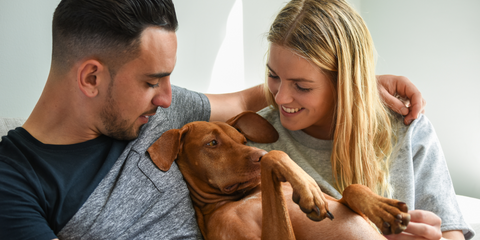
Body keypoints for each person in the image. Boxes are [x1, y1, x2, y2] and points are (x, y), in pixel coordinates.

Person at [0, 0, 425, 239]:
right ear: (92, 77)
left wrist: (353, 82)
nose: (169, 98)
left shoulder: (167, 112)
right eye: (153, 81)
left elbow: (252, 96)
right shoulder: (14, 179)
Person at [247, 0, 475, 239]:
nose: (280, 97)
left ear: (344, 83)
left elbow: (451, 233)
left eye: (302, 87)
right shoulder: (258, 144)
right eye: (273, 76)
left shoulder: (409, 130)